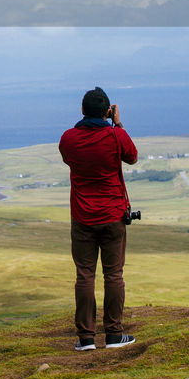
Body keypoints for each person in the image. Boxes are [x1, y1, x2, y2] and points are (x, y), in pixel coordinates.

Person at [58, 86, 138, 351]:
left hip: (82, 217)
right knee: (114, 274)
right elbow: (132, 157)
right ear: (107, 111)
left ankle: (86, 339)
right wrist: (117, 123)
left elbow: (69, 159)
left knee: (84, 275)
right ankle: (114, 335)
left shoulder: (68, 139)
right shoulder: (116, 136)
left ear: (82, 110)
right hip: (113, 215)